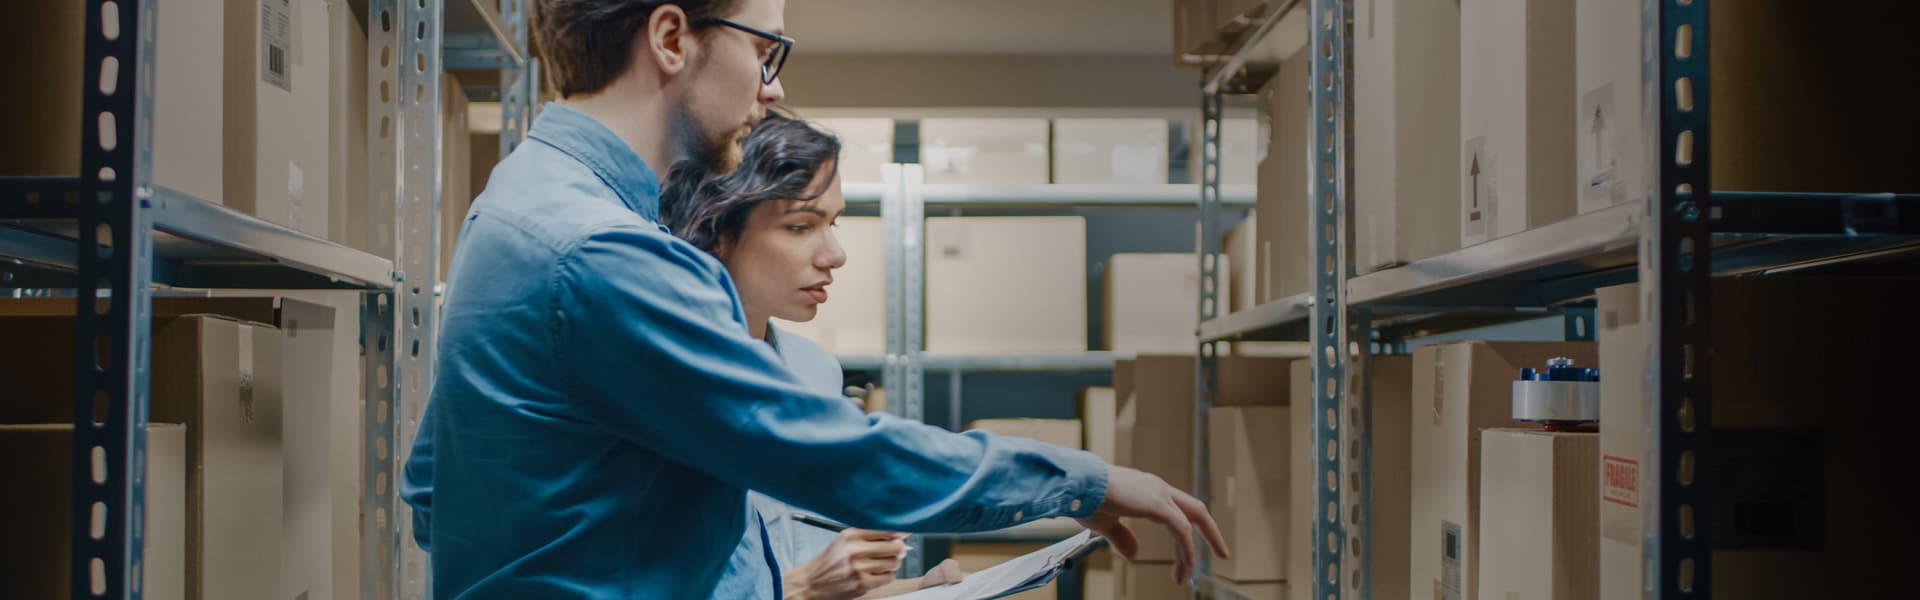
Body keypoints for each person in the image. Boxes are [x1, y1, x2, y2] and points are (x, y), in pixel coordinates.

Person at [400, 0, 1228, 597]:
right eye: (765, 50)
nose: (768, 89)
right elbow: (831, 455)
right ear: (670, 37)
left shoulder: (515, 200)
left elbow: (431, 489)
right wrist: (1077, 481)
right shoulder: (603, 252)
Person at [660, 114, 967, 598]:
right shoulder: (659, 385)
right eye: (801, 225)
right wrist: (804, 586)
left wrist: (922, 589)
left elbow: (819, 583)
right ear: (716, 232)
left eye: (833, 222)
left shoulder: (814, 370)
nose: (835, 254)